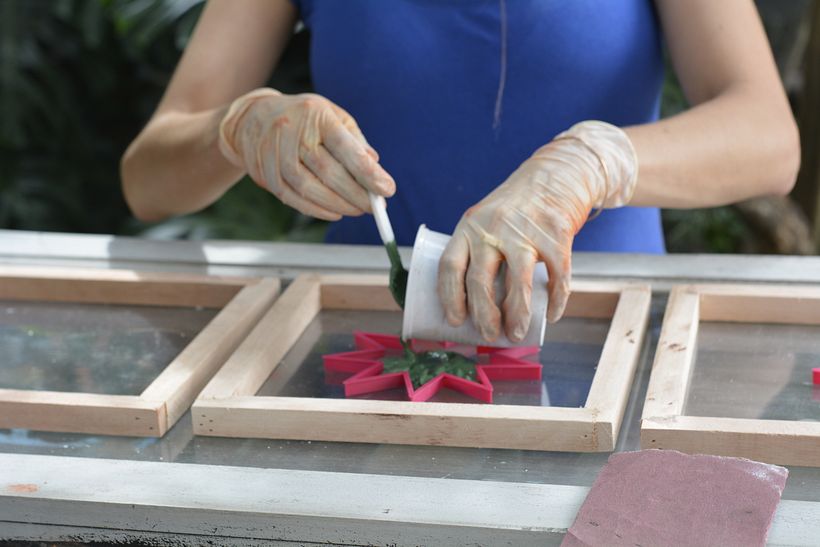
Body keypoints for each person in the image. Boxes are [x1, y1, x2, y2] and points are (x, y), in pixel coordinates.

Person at [121, 0, 800, 343]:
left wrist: (594, 160)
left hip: (605, 335)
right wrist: (236, 127)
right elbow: (147, 179)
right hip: (364, 343)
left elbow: (768, 137)